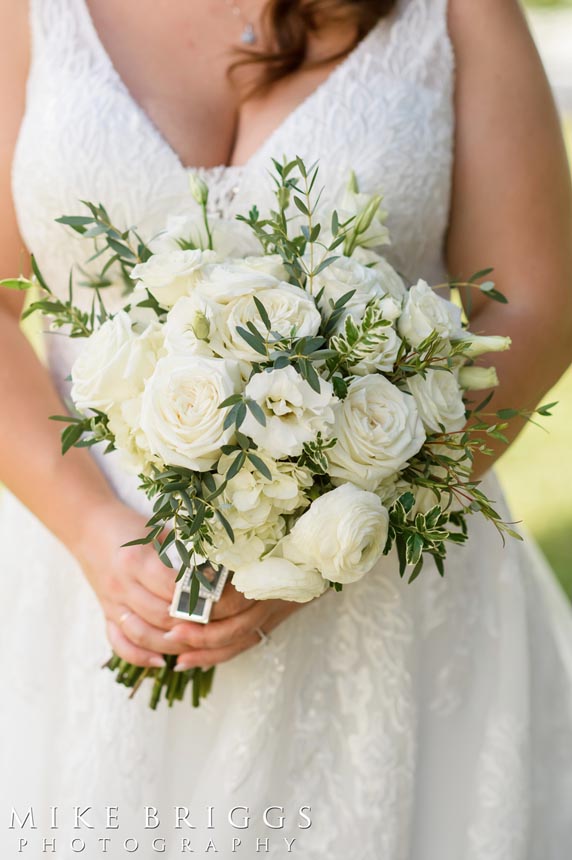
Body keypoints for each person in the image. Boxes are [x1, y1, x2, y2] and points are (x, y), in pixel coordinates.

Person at [1, 1, 571, 857]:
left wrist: (323, 541)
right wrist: (94, 530)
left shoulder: (453, 11)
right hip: (79, 580)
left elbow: (534, 303)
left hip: (383, 591)